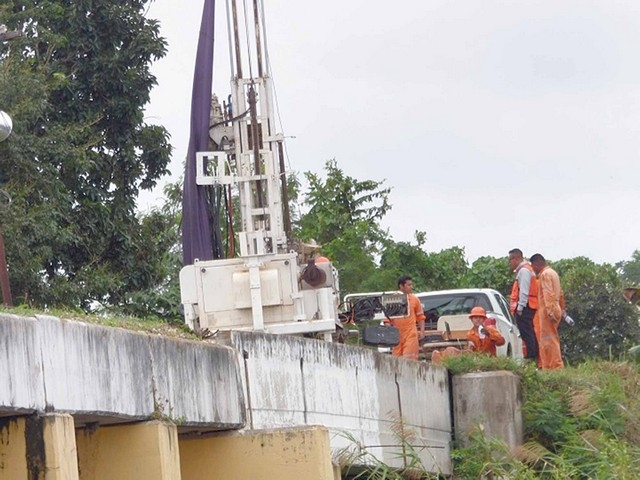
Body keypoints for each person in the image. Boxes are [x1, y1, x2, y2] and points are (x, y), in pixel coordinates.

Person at [530, 253, 565, 370]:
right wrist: (561, 309)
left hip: (548, 311)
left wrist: (550, 312)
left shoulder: (544, 275)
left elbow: (548, 294)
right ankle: (554, 365)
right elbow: (560, 294)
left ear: (537, 263)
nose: (533, 269)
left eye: (533, 266)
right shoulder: (553, 273)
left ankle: (552, 367)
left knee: (547, 341)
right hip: (556, 308)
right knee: (553, 339)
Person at [508, 248, 540, 363]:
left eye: (510, 260)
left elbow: (524, 291)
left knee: (527, 332)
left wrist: (520, 307)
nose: (510, 263)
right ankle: (533, 355)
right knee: (528, 331)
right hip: (528, 305)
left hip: (526, 306)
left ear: (516, 259)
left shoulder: (524, 271)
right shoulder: (525, 270)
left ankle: (532, 356)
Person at [388, 275, 426, 360]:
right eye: (409, 285)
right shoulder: (392, 299)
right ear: (401, 286)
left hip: (410, 334)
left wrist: (422, 331)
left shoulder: (415, 299)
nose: (411, 287)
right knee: (396, 360)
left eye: (411, 285)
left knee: (409, 359)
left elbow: (420, 317)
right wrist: (389, 333)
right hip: (396, 335)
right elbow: (387, 320)